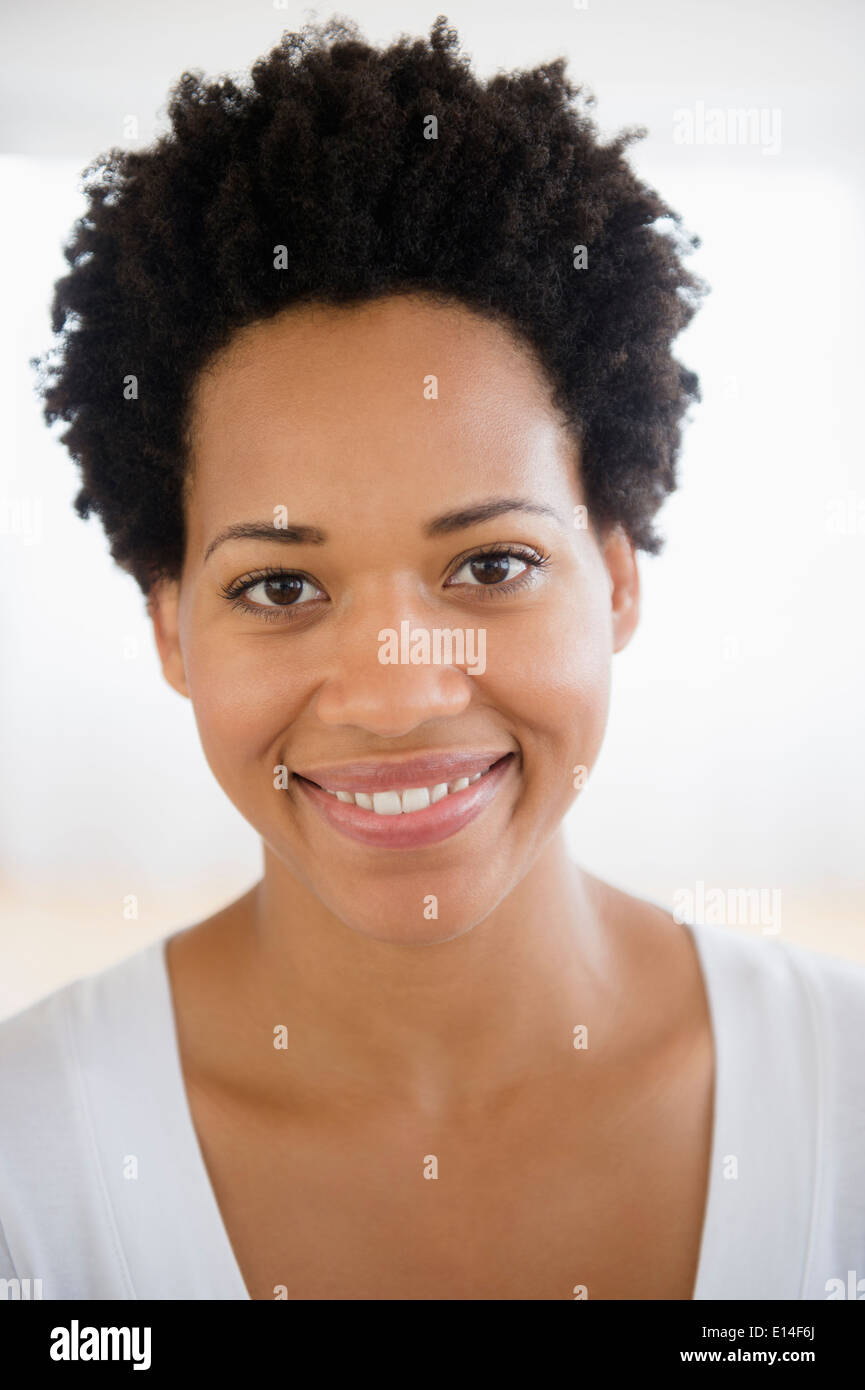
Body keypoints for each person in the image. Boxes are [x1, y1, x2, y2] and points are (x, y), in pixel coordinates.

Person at [2, 15, 863, 1301]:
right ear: (171, 626)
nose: (399, 690)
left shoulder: (840, 1106)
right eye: (279, 584)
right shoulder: (33, 1174)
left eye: (491, 564)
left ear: (617, 576)